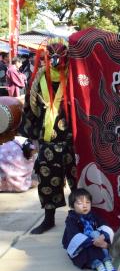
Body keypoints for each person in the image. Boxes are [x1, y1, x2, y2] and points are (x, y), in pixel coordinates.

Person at [20, 41, 77, 234]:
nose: (55, 59)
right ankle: (49, 219)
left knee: (77, 179)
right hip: (48, 139)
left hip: (71, 138)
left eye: (59, 55)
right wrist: (32, 138)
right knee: (46, 178)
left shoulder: (74, 77)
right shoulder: (38, 78)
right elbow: (30, 107)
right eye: (51, 55)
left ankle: (81, 216)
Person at [62, 188, 116, 271]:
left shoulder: (93, 215)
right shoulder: (71, 219)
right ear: (72, 206)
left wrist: (102, 236)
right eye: (80, 203)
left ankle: (107, 261)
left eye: (87, 202)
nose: (85, 206)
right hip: (83, 245)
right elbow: (74, 236)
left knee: (98, 236)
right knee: (90, 247)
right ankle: (98, 264)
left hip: (96, 240)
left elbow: (104, 224)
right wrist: (92, 241)